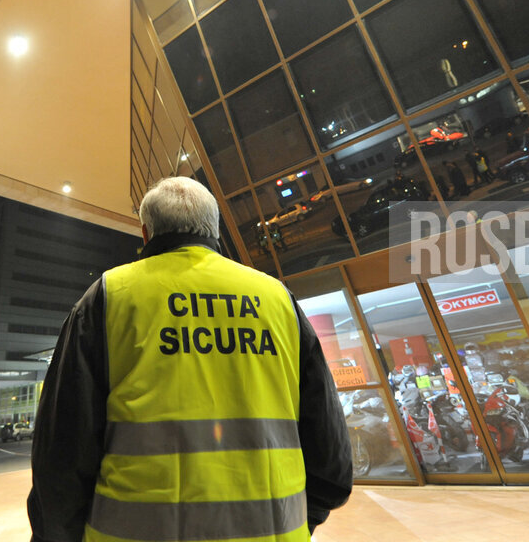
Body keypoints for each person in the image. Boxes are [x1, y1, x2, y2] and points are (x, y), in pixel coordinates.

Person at [28, 177, 353, 542]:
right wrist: (305, 515)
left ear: (146, 231)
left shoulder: (109, 296)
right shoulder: (277, 299)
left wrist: (53, 533)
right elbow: (329, 445)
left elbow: (64, 442)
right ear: (214, 228)